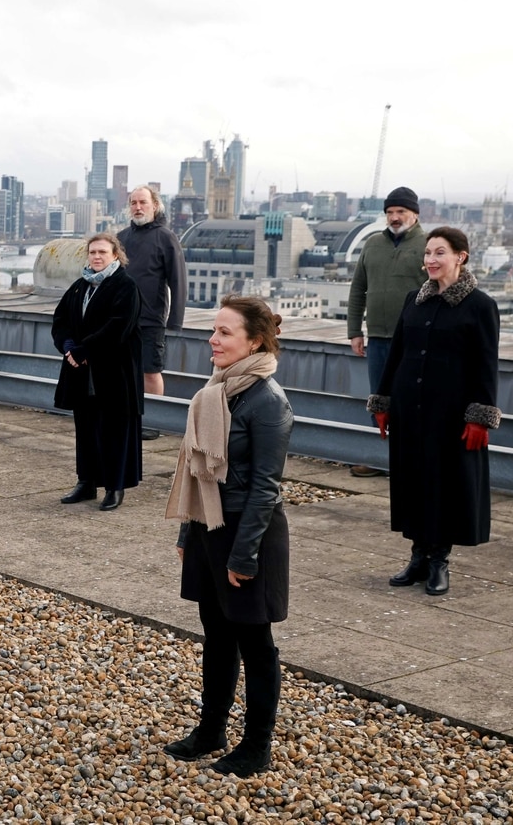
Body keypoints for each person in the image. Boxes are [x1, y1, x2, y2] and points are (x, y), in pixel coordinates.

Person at [163, 295, 292, 777]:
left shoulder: (267, 401)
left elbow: (266, 487)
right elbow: (196, 469)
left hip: (246, 534)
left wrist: (244, 556)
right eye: (212, 331)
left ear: (254, 341)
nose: (212, 340)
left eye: (224, 333)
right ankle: (211, 729)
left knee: (255, 643)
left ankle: (257, 746)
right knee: (217, 636)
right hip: (207, 528)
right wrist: (186, 531)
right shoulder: (217, 389)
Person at [369, 226, 500, 597]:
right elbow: (396, 354)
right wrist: (383, 400)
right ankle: (417, 556)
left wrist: (480, 415)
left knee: (445, 484)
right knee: (412, 481)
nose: (430, 260)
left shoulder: (480, 305)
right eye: (427, 253)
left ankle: (439, 559)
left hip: (451, 413)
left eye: (439, 253)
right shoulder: (415, 300)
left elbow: (486, 364)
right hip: (411, 409)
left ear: (461, 256)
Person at [51, 232, 143, 511]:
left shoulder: (125, 286)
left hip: (115, 372)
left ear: (115, 255)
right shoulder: (80, 286)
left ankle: (115, 487)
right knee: (86, 428)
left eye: (103, 252)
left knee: (115, 429)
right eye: (93, 252)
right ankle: (86, 482)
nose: (97, 257)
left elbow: (119, 326)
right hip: (82, 374)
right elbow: (61, 319)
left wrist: (83, 350)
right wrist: (68, 346)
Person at [345, 186, 428, 477]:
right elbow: (358, 289)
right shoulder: (372, 244)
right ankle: (381, 458)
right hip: (378, 337)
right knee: (378, 399)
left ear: (414, 214)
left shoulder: (428, 245)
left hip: (416, 339)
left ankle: (411, 461)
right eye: (390, 212)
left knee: (412, 400)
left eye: (400, 212)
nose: (394, 217)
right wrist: (355, 330)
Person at [117, 186, 187, 440]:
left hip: (151, 318)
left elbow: (178, 281)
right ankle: (127, 418)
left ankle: (151, 421)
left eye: (143, 202)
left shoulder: (166, 237)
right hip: (122, 319)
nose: (138, 207)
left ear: (154, 206)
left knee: (150, 370)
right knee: (123, 371)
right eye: (133, 202)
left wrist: (175, 320)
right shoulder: (121, 237)